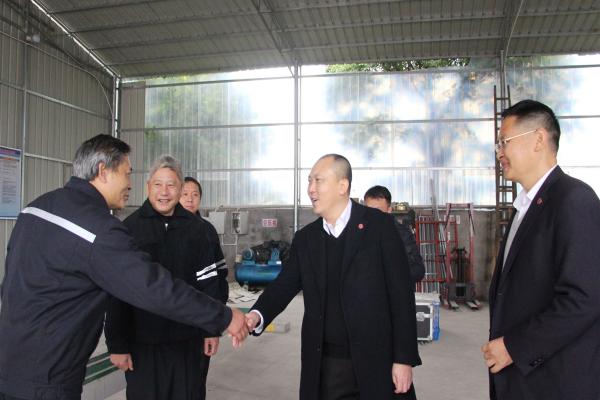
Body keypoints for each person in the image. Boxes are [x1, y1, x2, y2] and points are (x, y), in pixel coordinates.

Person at [0, 134, 248, 400]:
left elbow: (11, 282)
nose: (129, 184)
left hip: (10, 363)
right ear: (103, 171)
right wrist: (223, 317)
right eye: (127, 173)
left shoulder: (35, 209)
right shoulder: (99, 229)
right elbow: (151, 287)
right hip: (48, 376)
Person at [246, 154, 421, 400]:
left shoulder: (380, 227)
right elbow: (284, 284)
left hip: (376, 362)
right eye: (309, 181)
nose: (311, 189)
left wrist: (403, 359)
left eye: (318, 180)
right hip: (326, 366)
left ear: (342, 185)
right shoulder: (306, 239)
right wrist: (257, 314)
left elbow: (401, 296)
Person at [482, 100, 600, 400]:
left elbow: (583, 299)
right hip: (524, 379)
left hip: (555, 380)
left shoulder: (574, 200)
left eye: (505, 142)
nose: (499, 153)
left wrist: (515, 347)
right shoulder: (526, 206)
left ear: (538, 139)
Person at [104, 158, 228, 400]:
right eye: (158, 184)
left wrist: (211, 329)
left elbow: (209, 283)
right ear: (148, 186)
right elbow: (116, 294)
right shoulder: (128, 230)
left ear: (180, 188)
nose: (164, 192)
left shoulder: (198, 230)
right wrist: (117, 344)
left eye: (171, 185)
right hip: (143, 345)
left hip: (188, 342)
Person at [363, 185, 425, 284]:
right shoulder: (358, 233)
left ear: (389, 210)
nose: (373, 216)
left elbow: (418, 270)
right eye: (369, 211)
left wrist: (391, 272)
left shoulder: (402, 234)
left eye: (378, 211)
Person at [181, 176, 228, 302]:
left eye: (195, 195)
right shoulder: (169, 229)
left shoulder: (208, 229)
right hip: (180, 301)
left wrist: (220, 301)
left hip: (208, 301)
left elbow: (220, 269)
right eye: (184, 194)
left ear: (200, 199)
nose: (190, 199)